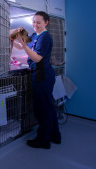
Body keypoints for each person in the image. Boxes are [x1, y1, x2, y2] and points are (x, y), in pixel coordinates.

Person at [10, 11, 61, 149]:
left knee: (42, 109)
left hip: (42, 76)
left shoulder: (45, 37)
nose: (35, 24)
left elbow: (37, 58)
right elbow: (21, 46)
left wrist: (24, 46)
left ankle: (43, 140)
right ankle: (55, 135)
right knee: (48, 106)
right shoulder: (34, 35)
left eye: (38, 22)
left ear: (46, 23)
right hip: (40, 74)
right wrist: (14, 35)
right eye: (34, 21)